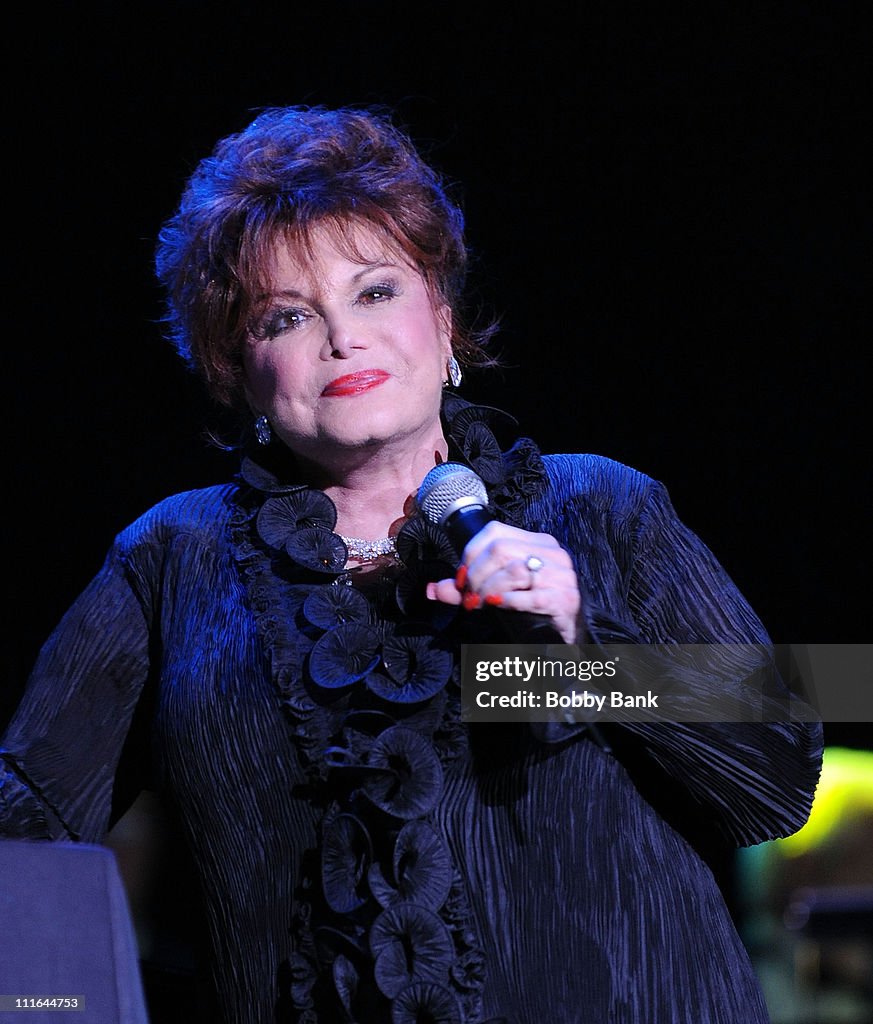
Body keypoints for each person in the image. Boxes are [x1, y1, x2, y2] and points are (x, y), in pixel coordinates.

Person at [0, 105, 822, 1023]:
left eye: (375, 291)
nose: (341, 338)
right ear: (239, 370)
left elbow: (780, 773)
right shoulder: (170, 558)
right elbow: (22, 826)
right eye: (287, 315)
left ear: (444, 316)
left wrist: (581, 646)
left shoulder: (600, 505)